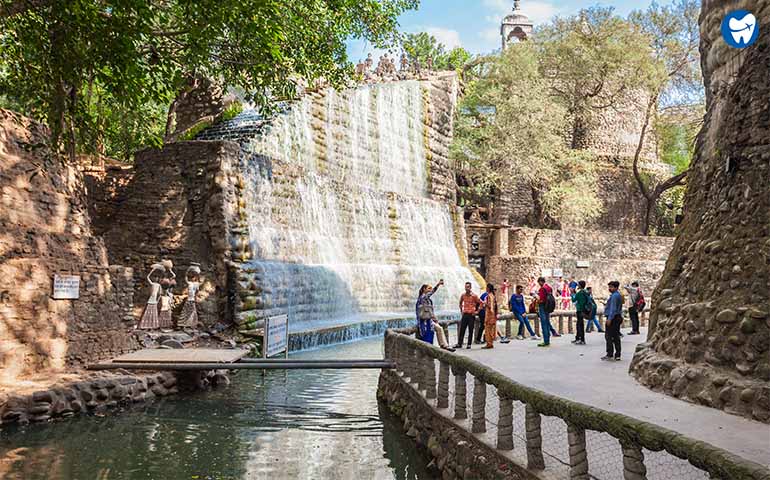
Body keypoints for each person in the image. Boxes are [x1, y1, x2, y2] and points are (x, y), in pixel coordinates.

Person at [416, 280, 455, 351]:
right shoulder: (422, 298)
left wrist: (434, 318)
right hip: (423, 322)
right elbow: (432, 293)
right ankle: (429, 348)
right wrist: (438, 284)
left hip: (429, 321)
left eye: (430, 288)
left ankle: (444, 345)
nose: (430, 290)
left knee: (439, 328)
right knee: (427, 335)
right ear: (424, 289)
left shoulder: (428, 300)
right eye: (429, 288)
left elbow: (429, 311)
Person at [455, 282, 482, 349]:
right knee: (462, 329)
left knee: (470, 329)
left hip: (471, 314)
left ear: (470, 287)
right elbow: (460, 302)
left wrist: (477, 311)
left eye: (468, 287)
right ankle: (459, 343)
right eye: (466, 287)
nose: (466, 288)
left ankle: (469, 344)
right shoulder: (463, 295)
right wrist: (461, 310)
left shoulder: (474, 296)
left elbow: (481, 303)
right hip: (465, 314)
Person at [602, 281, 624, 361]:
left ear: (615, 287)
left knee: (608, 336)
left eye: (611, 287)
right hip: (617, 317)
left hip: (613, 318)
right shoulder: (618, 295)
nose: (609, 289)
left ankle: (610, 353)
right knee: (616, 336)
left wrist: (610, 319)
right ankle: (617, 354)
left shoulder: (614, 296)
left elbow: (613, 308)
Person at [536, 277, 554, 347]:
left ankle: (546, 341)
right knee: (547, 322)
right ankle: (548, 340)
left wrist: (536, 297)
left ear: (541, 282)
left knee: (544, 324)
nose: (539, 284)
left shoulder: (542, 289)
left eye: (539, 282)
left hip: (542, 307)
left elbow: (541, 300)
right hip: (548, 307)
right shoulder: (549, 287)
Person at [572, 281, 589, 345]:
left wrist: (573, 293)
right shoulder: (585, 292)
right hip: (584, 310)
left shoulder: (579, 293)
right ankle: (580, 338)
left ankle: (581, 339)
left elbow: (574, 299)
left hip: (580, 310)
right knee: (580, 324)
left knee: (579, 325)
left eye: (578, 285)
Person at [482, 284, 498, 349]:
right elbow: (495, 306)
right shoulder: (493, 296)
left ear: (488, 288)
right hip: (493, 315)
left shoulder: (489, 296)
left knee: (488, 329)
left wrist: (484, 303)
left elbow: (489, 306)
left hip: (489, 315)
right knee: (491, 330)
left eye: (486, 287)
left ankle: (489, 344)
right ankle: (490, 343)